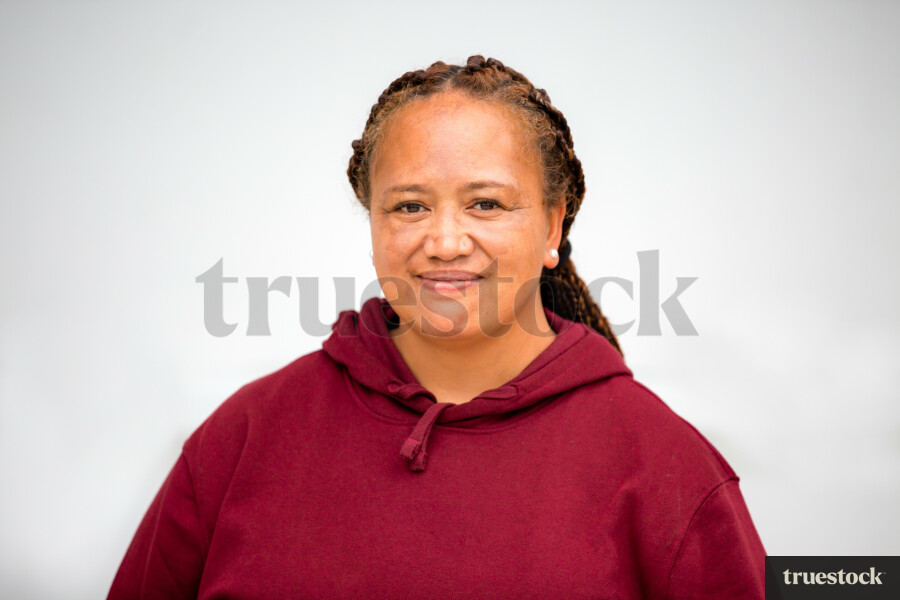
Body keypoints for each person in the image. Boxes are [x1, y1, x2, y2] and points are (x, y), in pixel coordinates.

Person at [108, 55, 766, 599]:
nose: (445, 240)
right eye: (410, 205)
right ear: (372, 222)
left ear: (552, 224)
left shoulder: (666, 469)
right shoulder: (242, 440)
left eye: (486, 203)